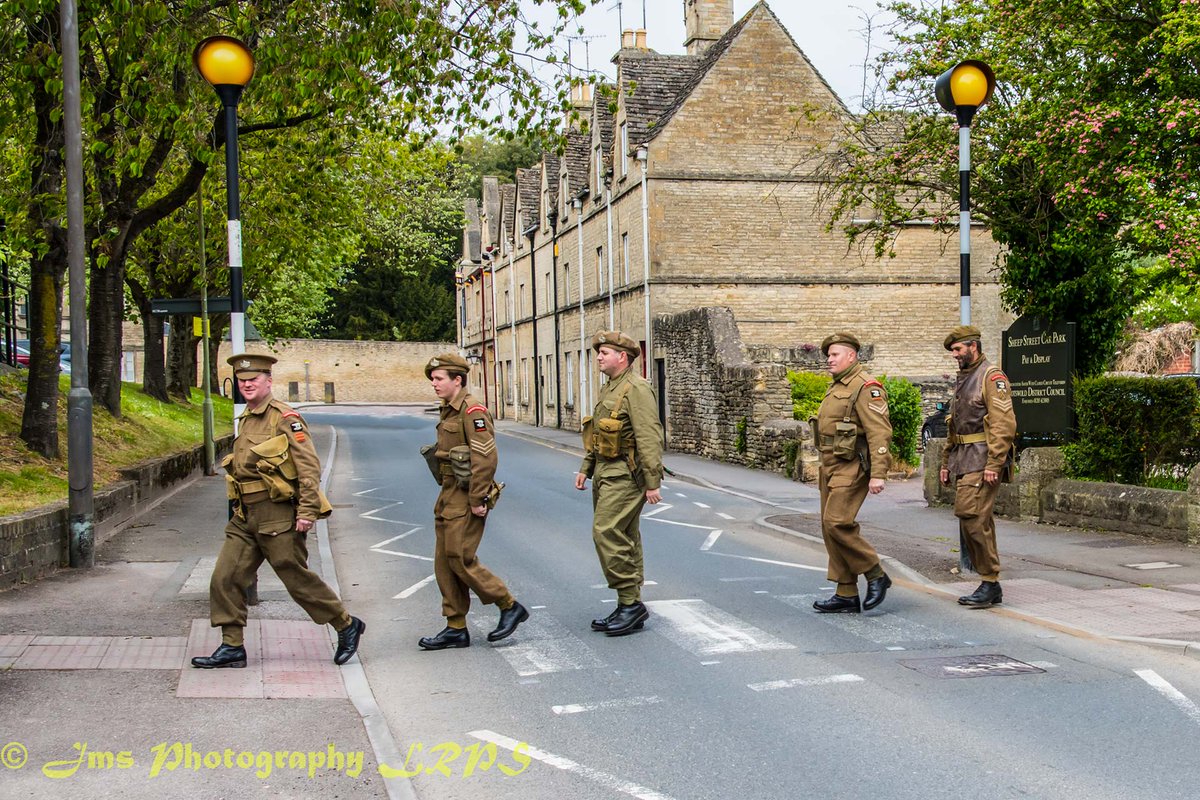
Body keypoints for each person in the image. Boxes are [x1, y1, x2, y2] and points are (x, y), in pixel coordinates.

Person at [192, 353, 364, 669]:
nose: (246, 385)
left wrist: (308, 511)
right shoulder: (246, 417)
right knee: (224, 577)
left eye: (253, 380)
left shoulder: (285, 418)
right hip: (245, 516)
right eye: (242, 381)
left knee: (295, 578)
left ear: (268, 381)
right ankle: (232, 647)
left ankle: (345, 623)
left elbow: (308, 467)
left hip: (279, 515)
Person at [417, 352, 528, 650]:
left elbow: (485, 457)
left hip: (467, 495)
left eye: (439, 379)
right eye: (433, 379)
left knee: (460, 558)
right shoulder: (448, 410)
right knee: (444, 563)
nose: (434, 384)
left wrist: (478, 498)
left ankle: (508, 605)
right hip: (448, 493)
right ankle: (455, 626)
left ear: (458, 379)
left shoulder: (472, 411)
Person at [574, 331, 664, 635]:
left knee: (606, 531)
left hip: (626, 474)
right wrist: (586, 467)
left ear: (622, 357)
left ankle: (630, 603)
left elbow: (649, 436)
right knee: (625, 534)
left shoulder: (637, 389)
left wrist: (652, 482)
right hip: (605, 472)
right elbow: (598, 436)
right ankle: (629, 602)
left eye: (605, 352)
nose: (599, 357)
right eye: (599, 352)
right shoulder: (610, 388)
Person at [810, 333, 894, 614]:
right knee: (828, 528)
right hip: (831, 465)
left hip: (852, 465)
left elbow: (879, 432)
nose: (829, 360)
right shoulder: (836, 387)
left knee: (837, 522)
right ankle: (846, 592)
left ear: (851, 356)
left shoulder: (865, 387)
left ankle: (875, 572)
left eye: (834, 354)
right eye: (828, 355)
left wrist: (879, 474)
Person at [939, 325, 1017, 608]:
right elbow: (954, 427)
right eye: (953, 351)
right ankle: (988, 582)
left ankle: (990, 582)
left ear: (974, 346)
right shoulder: (965, 378)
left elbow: (1004, 424)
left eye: (958, 349)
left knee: (972, 517)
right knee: (975, 520)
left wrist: (995, 462)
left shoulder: (990, 376)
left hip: (983, 459)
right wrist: (947, 461)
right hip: (965, 458)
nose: (954, 355)